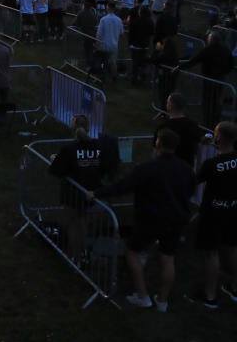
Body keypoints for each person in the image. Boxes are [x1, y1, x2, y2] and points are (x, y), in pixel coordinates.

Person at [89, 129, 195, 312]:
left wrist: (96, 193)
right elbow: (190, 190)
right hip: (176, 219)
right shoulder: (186, 168)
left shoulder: (147, 168)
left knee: (132, 251)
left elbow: (122, 186)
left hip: (151, 218)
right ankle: (162, 301)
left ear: (158, 144)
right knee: (168, 257)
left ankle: (142, 295)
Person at [48, 115, 119, 261]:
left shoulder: (69, 149)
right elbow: (105, 168)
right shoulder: (99, 147)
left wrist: (55, 160)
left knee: (74, 224)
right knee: (82, 221)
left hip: (72, 193)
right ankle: (84, 252)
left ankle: (75, 256)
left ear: (73, 129)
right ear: (88, 127)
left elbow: (57, 171)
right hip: (91, 192)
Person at [189, 121, 237, 308]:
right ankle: (234, 287)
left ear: (218, 138)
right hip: (233, 210)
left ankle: (210, 296)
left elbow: (196, 179)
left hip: (213, 213)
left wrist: (201, 150)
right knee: (233, 247)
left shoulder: (212, 164)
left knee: (211, 253)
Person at [155, 92, 202, 170]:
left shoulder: (164, 126)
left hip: (167, 169)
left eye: (167, 102)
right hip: (187, 168)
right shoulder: (193, 125)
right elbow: (198, 149)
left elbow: (156, 150)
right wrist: (198, 168)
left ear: (170, 105)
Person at [95, 2, 123, 81]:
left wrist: (97, 43)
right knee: (113, 61)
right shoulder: (119, 20)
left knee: (103, 60)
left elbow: (99, 33)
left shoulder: (103, 19)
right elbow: (121, 33)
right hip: (114, 44)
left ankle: (102, 76)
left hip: (104, 44)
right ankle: (114, 77)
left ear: (107, 8)